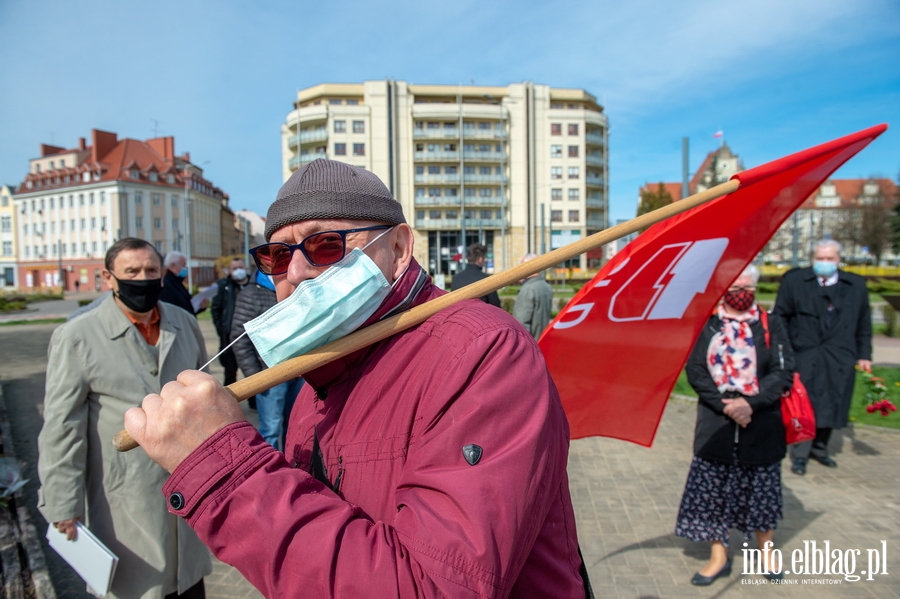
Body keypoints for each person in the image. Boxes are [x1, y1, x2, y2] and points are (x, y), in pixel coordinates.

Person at [124, 159, 589, 597]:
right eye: (277, 257)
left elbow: (437, 587)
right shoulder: (318, 377)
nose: (298, 273)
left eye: (325, 244)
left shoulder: (482, 351)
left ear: (399, 249)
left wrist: (224, 468)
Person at [38, 238, 211, 599]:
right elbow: (62, 427)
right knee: (138, 587)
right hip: (124, 497)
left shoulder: (182, 321)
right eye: (131, 272)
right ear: (108, 278)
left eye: (150, 271)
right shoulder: (77, 336)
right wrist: (61, 504)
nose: (142, 279)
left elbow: (204, 395)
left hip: (187, 485)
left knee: (188, 583)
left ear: (162, 275)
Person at [677, 265, 794, 586]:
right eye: (735, 285)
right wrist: (726, 405)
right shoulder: (709, 324)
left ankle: (766, 548)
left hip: (762, 418)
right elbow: (696, 370)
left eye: (748, 286)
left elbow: (784, 371)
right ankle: (719, 554)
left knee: (762, 489)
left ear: (755, 289)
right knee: (715, 491)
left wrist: (749, 403)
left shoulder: (772, 324)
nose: (741, 292)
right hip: (716, 422)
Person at [773, 239, 872, 475]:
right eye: (820, 258)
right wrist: (782, 351)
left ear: (838, 260)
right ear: (812, 259)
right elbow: (780, 318)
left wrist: (864, 355)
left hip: (839, 355)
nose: (824, 263)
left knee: (833, 402)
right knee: (803, 404)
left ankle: (820, 447)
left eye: (829, 259)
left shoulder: (855, 285)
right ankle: (800, 454)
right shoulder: (795, 281)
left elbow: (863, 323)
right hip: (804, 353)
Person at [230, 268, 303, 450]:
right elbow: (239, 338)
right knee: (271, 430)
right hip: (270, 377)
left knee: (296, 428)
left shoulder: (297, 286)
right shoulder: (252, 294)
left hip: (299, 372)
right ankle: (271, 474)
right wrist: (256, 377)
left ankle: (293, 469)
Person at [210, 257, 252, 386]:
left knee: (252, 372)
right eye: (234, 268)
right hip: (229, 338)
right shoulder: (223, 286)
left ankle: (253, 401)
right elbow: (215, 309)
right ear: (229, 271)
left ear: (246, 268)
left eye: (240, 267)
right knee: (230, 372)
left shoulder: (254, 285)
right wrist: (222, 329)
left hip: (250, 336)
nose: (238, 270)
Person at [512, 253, 554, 339]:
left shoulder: (528, 289)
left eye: (521, 267)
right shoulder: (546, 286)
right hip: (542, 340)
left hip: (531, 345)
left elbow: (521, 325)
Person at [449, 242, 501, 307]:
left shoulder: (456, 278)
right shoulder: (486, 279)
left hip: (459, 316)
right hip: (480, 315)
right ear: (480, 259)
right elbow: (496, 306)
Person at [158, 251, 208, 315]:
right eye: (184, 265)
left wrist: (200, 306)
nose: (186, 268)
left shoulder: (176, 282)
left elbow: (187, 308)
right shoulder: (166, 285)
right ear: (173, 265)